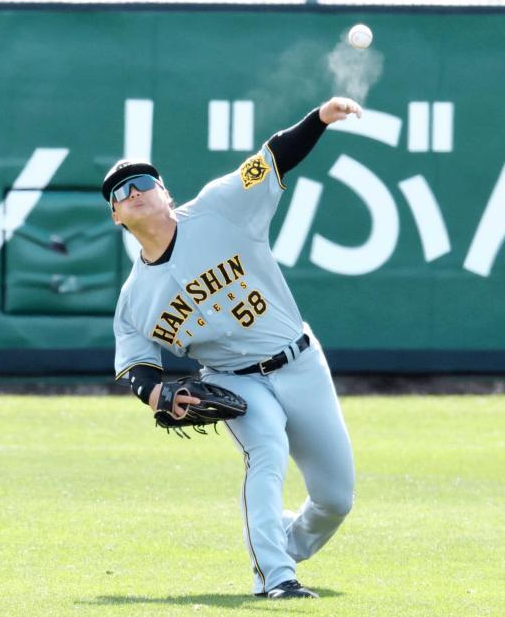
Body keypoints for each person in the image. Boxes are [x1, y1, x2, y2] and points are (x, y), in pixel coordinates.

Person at [104, 97, 362, 599]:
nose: (133, 191)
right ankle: (276, 576)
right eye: (120, 190)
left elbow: (273, 157)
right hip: (230, 377)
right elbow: (138, 367)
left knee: (335, 499)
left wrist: (319, 119)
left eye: (143, 182)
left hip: (300, 360)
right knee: (266, 449)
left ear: (165, 192)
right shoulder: (135, 299)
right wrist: (162, 397)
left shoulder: (220, 206)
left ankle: (281, 544)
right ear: (116, 216)